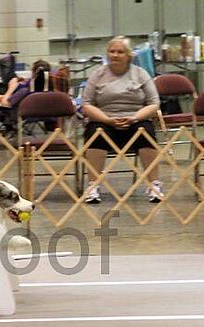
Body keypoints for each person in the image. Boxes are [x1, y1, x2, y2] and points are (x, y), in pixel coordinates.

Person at [82, 36, 164, 204]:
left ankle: (154, 186)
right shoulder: (97, 75)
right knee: (95, 133)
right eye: (112, 51)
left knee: (146, 132)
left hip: (135, 120)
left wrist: (134, 117)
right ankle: (93, 186)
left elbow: (154, 103)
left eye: (120, 52)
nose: (115, 55)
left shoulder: (141, 74)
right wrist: (107, 119)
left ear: (129, 55)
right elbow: (87, 104)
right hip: (104, 121)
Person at [0, 60, 52, 135]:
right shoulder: (49, 91)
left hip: (15, 114)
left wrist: (11, 87)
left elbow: (5, 104)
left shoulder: (25, 90)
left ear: (34, 73)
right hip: (39, 114)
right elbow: (15, 98)